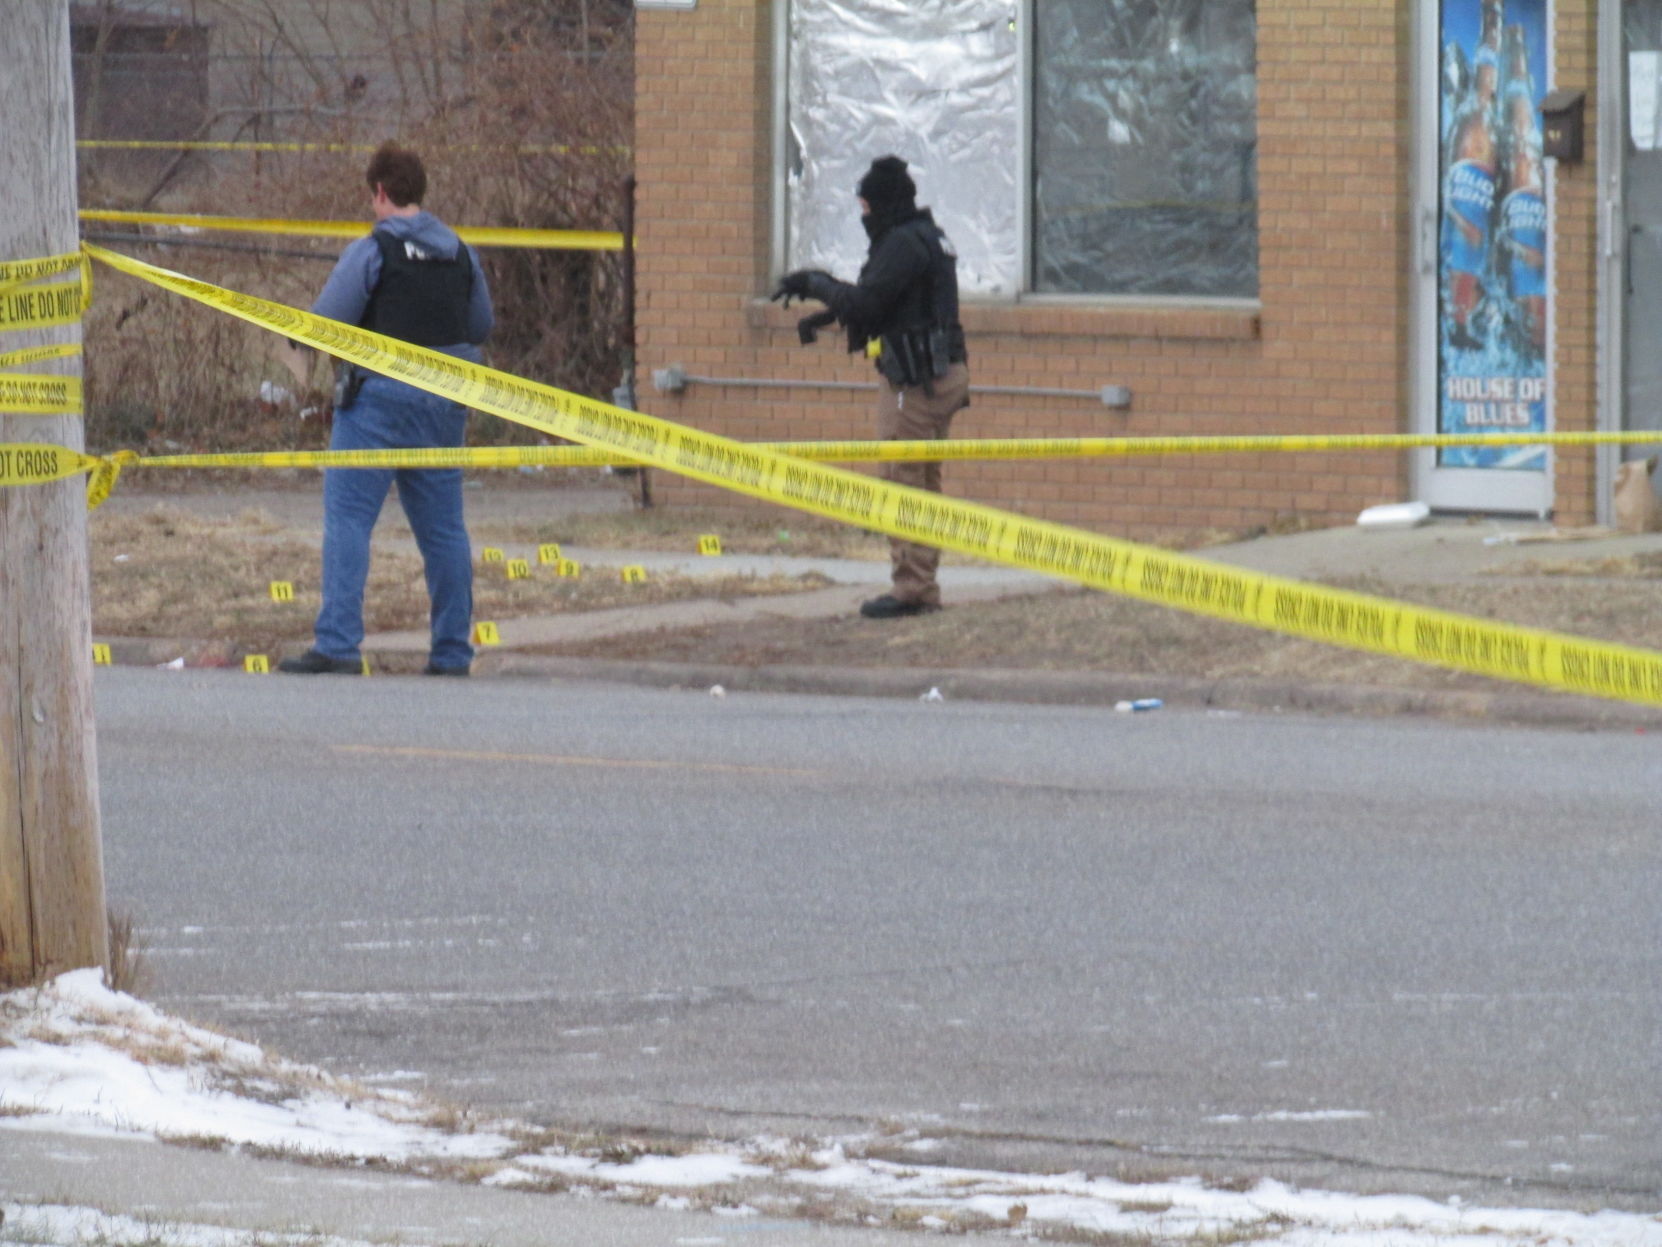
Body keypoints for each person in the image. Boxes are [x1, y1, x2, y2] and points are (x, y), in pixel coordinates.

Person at [279, 142, 494, 676]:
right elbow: (481, 325)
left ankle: (338, 646)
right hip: (444, 401)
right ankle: (451, 652)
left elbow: (329, 322)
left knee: (349, 520)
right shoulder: (462, 252)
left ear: (379, 192)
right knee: (444, 530)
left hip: (377, 402)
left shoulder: (372, 250)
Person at [773, 155, 970, 618]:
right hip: (939, 376)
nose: (864, 217)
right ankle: (922, 585)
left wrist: (816, 283)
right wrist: (824, 314)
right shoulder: (926, 237)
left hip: (914, 383)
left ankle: (911, 590)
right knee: (923, 482)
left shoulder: (902, 243)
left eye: (865, 208)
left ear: (882, 204)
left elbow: (867, 303)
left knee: (904, 483)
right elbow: (891, 304)